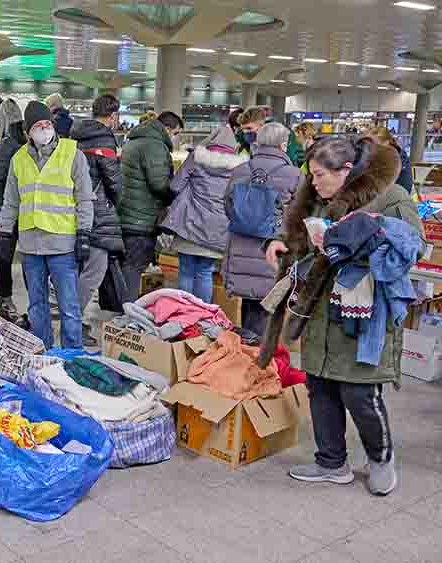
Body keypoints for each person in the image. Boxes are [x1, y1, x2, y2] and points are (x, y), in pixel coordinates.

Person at [266, 137, 420, 497]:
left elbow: (411, 247)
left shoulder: (391, 196)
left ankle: (381, 458)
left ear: (346, 170)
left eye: (320, 175)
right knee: (319, 386)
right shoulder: (318, 196)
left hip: (365, 311)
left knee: (359, 392)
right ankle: (331, 461)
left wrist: (359, 243)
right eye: (311, 175)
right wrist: (279, 242)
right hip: (319, 306)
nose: (313, 182)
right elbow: (296, 229)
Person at [0, 101, 94, 350]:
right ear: (28, 131)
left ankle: (73, 354)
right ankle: (42, 352)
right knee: (36, 305)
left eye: (47, 124)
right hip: (31, 246)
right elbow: (10, 201)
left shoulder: (73, 154)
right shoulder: (18, 159)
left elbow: (84, 198)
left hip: (63, 244)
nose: (44, 129)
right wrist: (4, 232)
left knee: (68, 305)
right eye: (38, 125)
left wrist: (84, 232)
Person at [223, 122, 303, 336]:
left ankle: (246, 354)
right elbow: (300, 216)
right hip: (273, 251)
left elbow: (227, 205)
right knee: (269, 307)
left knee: (249, 305)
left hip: (241, 247)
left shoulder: (240, 170)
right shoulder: (295, 175)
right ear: (284, 145)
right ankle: (261, 361)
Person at [160, 125, 248, 302]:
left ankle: (184, 312)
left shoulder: (196, 158)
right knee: (204, 272)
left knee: (186, 270)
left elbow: (175, 186)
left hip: (189, 224)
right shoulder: (240, 167)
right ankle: (202, 316)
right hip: (218, 228)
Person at [71, 94, 126, 346]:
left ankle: (73, 317)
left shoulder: (76, 135)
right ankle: (74, 322)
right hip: (98, 211)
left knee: (80, 270)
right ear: (113, 116)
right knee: (95, 270)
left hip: (76, 209)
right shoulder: (104, 139)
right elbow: (114, 181)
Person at [117, 111, 183, 302]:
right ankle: (127, 314)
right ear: (167, 128)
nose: (174, 137)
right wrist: (177, 193)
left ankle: (121, 308)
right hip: (141, 218)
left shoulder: (135, 140)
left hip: (127, 213)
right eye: (176, 133)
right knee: (134, 266)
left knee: (126, 266)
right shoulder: (154, 145)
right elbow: (159, 184)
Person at [0, 99, 27, 319]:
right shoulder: (7, 145)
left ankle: (35, 306)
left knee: (32, 263)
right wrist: (1, 212)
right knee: (3, 259)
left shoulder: (40, 145)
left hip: (33, 216)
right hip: (8, 214)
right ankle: (4, 298)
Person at [366, 126, 414, 193]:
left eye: (374, 145)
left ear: (386, 142)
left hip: (394, 197)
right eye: (367, 144)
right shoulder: (372, 155)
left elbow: (404, 188)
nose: (370, 148)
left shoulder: (399, 159)